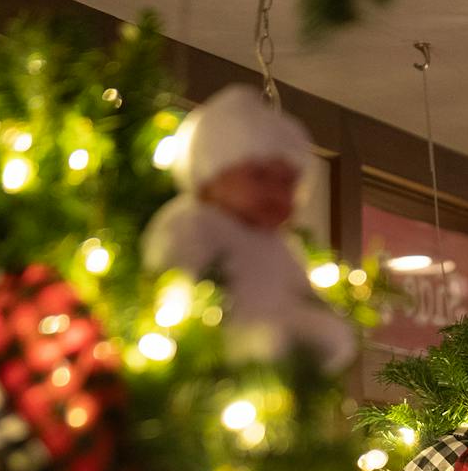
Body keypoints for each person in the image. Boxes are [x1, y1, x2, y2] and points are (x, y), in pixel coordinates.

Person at [140, 84, 356, 372]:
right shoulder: (193, 220)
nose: (276, 193)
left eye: (288, 182)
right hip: (215, 342)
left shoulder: (280, 246)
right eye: (259, 175)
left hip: (273, 349)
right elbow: (180, 272)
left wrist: (325, 331)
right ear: (212, 176)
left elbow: (304, 295)